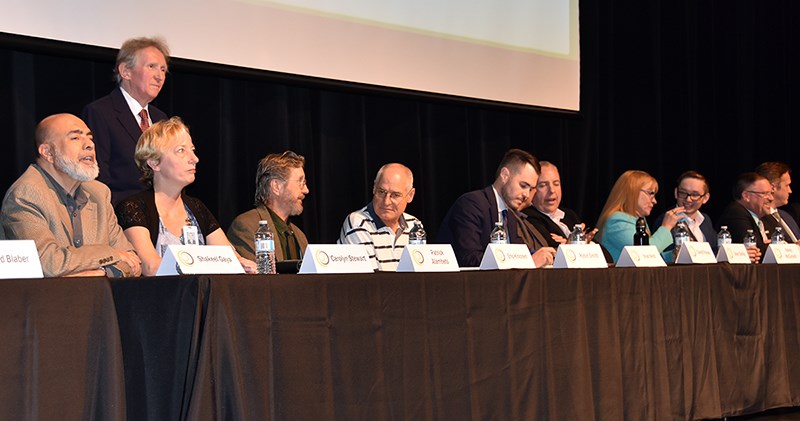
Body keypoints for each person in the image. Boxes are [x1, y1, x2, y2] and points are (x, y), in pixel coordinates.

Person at [1, 114, 142, 277]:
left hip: (99, 300)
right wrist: (110, 254)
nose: (89, 145)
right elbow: (48, 263)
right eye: (75, 138)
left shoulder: (99, 193)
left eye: (90, 138)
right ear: (48, 152)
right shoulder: (26, 195)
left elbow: (133, 262)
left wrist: (101, 272)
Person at [115, 117, 256, 276]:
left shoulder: (197, 208)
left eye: (193, 150)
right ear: (154, 163)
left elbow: (230, 258)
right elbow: (150, 267)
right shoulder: (133, 207)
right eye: (181, 150)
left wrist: (242, 264)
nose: (194, 159)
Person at [82, 36, 170, 205]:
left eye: (163, 70)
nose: (160, 76)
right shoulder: (100, 113)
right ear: (125, 71)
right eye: (152, 67)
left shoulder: (161, 119)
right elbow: (97, 178)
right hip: (120, 215)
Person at [437, 149, 556, 268]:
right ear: (504, 175)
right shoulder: (471, 204)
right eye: (523, 185)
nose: (526, 194)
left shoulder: (510, 215)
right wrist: (528, 262)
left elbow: (518, 254)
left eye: (530, 189)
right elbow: (469, 258)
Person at [227, 151, 310, 262]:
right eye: (300, 182)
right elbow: (253, 277)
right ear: (276, 186)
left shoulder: (300, 237)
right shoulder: (247, 227)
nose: (306, 190)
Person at [338, 163, 422, 271]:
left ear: (410, 195)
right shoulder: (359, 223)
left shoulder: (414, 225)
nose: (386, 201)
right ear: (374, 188)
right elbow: (372, 280)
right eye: (381, 192)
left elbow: (420, 275)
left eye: (395, 195)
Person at [595, 170, 684, 263]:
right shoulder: (617, 221)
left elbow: (654, 257)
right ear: (633, 192)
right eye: (651, 193)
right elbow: (644, 254)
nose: (654, 201)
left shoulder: (638, 220)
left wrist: (675, 253)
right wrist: (666, 227)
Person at [653, 170, 718, 253]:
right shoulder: (665, 221)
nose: (688, 199)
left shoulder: (706, 220)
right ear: (676, 193)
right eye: (683, 193)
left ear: (705, 198)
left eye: (694, 195)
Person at [717, 172, 772, 263]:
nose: (771, 198)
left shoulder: (764, 216)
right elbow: (756, 251)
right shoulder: (735, 213)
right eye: (765, 193)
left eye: (771, 193)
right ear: (746, 196)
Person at [755, 162, 800, 243]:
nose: (790, 191)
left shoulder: (786, 217)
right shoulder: (758, 218)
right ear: (772, 188)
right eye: (787, 185)